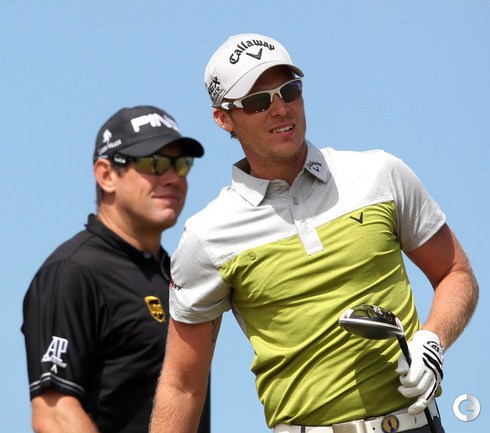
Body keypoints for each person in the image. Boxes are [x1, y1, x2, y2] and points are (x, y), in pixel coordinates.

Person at [149, 34, 479, 433]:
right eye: (258, 101)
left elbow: (455, 273)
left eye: (290, 90)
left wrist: (433, 339)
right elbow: (183, 386)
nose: (280, 108)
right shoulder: (207, 235)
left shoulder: (380, 174)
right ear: (224, 118)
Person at [22, 105, 211, 433]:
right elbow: (53, 413)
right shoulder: (73, 271)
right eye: (155, 163)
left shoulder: (176, 275)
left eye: (181, 164)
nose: (173, 178)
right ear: (106, 175)